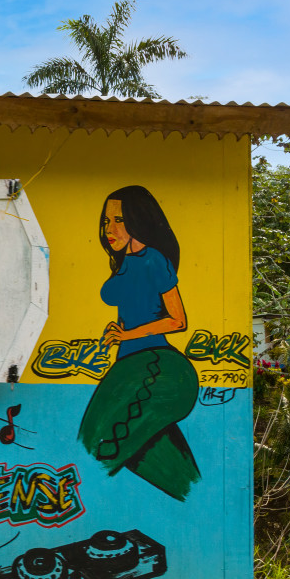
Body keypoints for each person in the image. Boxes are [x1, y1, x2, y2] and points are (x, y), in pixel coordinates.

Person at [77, 185, 200, 501]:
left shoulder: (153, 260)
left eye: (118, 220)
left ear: (137, 220)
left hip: (161, 367)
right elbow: (137, 308)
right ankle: (197, 495)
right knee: (138, 448)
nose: (109, 229)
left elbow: (178, 320)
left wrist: (128, 335)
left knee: (97, 439)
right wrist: (119, 330)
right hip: (133, 364)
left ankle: (194, 493)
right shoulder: (125, 263)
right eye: (106, 221)